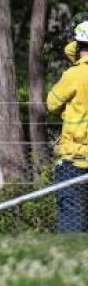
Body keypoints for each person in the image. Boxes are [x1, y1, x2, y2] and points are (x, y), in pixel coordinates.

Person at [47, 21, 88, 233]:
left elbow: (51, 103)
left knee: (72, 218)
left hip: (75, 160)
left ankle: (72, 264)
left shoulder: (73, 75)